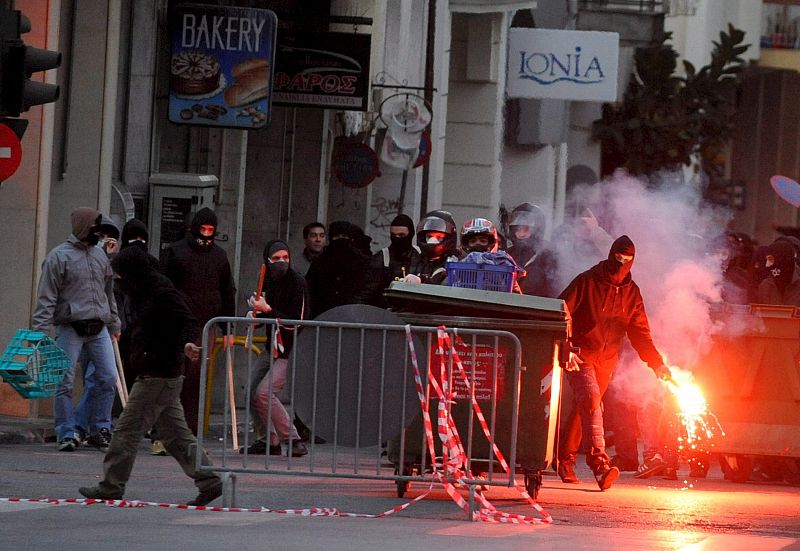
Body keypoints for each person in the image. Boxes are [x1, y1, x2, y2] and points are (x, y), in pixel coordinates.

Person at [78, 246, 223, 506]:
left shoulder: (161, 292)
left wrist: (186, 343)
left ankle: (111, 485)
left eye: (122, 275)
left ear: (134, 272)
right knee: (175, 435)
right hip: (159, 372)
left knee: (126, 431)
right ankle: (209, 479)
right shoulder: (142, 292)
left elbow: (188, 321)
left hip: (159, 372)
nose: (119, 280)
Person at [557, 235, 671, 490]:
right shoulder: (587, 281)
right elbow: (561, 312)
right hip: (580, 354)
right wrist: (566, 347)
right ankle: (600, 466)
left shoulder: (632, 293)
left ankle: (564, 460)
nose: (621, 263)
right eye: (618, 257)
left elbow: (640, 333)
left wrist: (657, 364)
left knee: (587, 407)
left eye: (627, 259)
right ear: (610, 255)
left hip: (607, 360)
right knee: (591, 400)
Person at [31, 207, 121, 453]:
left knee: (108, 377)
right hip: (71, 327)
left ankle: (100, 428)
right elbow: (46, 297)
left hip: (99, 327)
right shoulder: (58, 257)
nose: (98, 233)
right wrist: (40, 332)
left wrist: (114, 322)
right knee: (65, 381)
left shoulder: (100, 256)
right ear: (83, 227)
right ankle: (66, 431)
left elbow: (108, 293)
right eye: (94, 227)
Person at [161, 207, 237, 434]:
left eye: (210, 230)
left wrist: (227, 328)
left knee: (195, 379)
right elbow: (164, 288)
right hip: (178, 323)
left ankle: (189, 430)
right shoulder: (176, 252)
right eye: (202, 229)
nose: (205, 234)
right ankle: (166, 429)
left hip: (205, 324)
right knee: (171, 375)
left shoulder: (219, 256)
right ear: (194, 229)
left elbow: (227, 291)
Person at [240, 240, 310, 457]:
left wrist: (268, 310)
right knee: (251, 392)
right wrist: (254, 316)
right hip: (273, 347)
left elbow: (297, 322)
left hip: (291, 350)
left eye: (285, 258)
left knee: (264, 393)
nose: (282, 262)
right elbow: (266, 317)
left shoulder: (297, 283)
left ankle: (293, 439)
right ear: (267, 260)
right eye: (276, 258)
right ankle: (268, 440)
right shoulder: (268, 280)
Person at [306, 220, 374, 317]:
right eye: (337, 237)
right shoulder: (320, 262)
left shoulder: (363, 263)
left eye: (344, 237)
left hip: (351, 315)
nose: (340, 241)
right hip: (324, 315)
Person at [370, 214, 421, 305]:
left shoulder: (420, 256)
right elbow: (368, 290)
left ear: (411, 234)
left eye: (401, 235)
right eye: (394, 235)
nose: (397, 239)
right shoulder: (382, 258)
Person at [403, 210, 459, 285]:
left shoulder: (454, 262)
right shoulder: (416, 259)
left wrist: (420, 280)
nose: (432, 241)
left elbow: (442, 284)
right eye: (429, 236)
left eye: (439, 237)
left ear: (449, 238)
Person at [756, 240, 800, 306]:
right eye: (767, 260)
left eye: (771, 260)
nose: (767, 265)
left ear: (783, 260)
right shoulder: (765, 286)